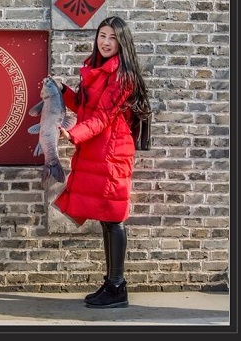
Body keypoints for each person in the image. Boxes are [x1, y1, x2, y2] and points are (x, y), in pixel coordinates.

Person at [53, 16, 151, 309]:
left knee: (113, 217)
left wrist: (73, 133)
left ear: (122, 42)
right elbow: (86, 106)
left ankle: (118, 286)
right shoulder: (97, 69)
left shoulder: (122, 76)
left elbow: (103, 117)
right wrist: (63, 91)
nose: (106, 42)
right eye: (102, 35)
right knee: (107, 219)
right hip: (98, 148)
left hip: (112, 152)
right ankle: (111, 284)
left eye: (113, 37)